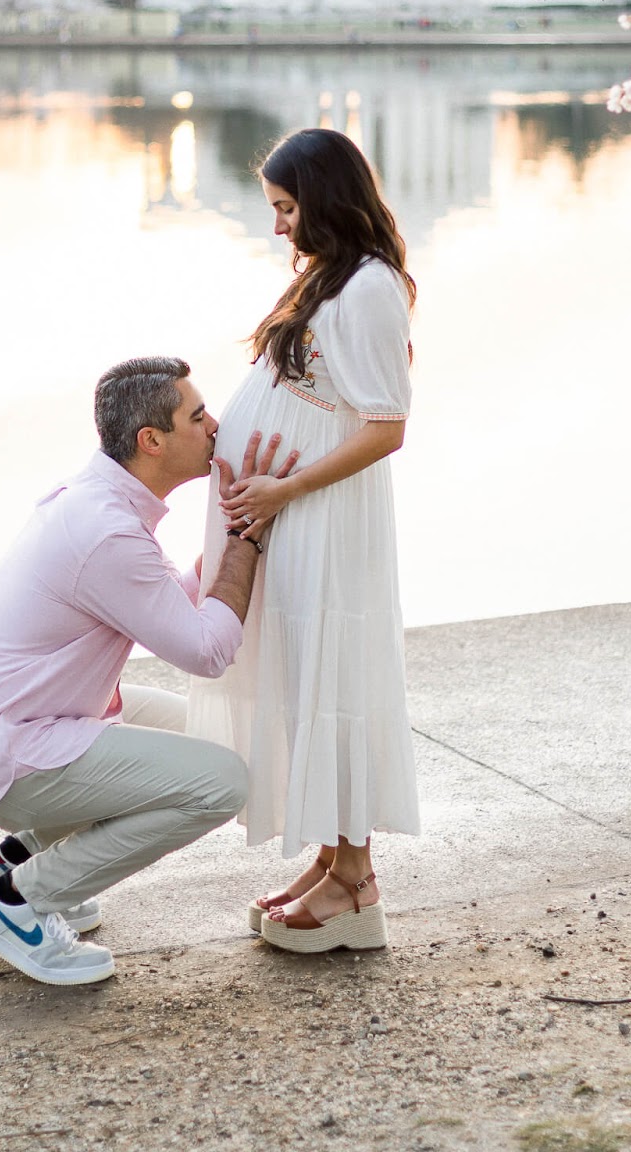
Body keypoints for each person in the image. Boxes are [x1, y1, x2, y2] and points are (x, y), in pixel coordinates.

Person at [0, 356, 296, 987]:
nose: (215, 427)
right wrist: (246, 537)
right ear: (152, 441)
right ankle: (15, 901)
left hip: (14, 721)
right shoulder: (106, 530)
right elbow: (205, 651)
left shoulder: (101, 504)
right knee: (219, 782)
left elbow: (159, 602)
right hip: (0, 748)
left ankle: (10, 857)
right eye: (198, 416)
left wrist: (231, 524)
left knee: (215, 738)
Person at [187, 129, 421, 954]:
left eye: (286, 208)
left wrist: (283, 489)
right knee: (306, 678)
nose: (279, 227)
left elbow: (388, 427)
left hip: (324, 513)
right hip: (296, 512)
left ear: (324, 197)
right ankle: (331, 857)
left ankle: (357, 884)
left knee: (336, 676)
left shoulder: (370, 289)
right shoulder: (335, 279)